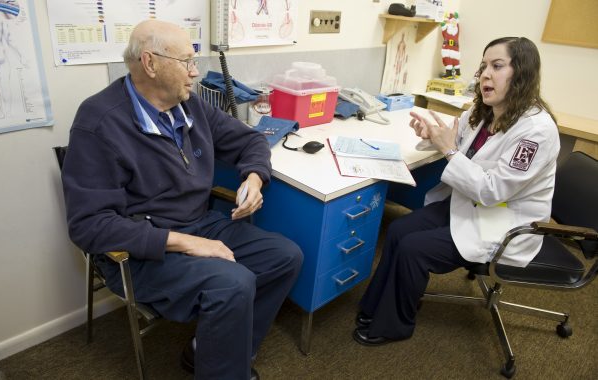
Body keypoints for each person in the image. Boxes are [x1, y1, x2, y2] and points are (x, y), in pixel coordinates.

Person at [61, 19, 303, 380]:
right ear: (151, 63)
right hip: (143, 249)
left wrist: (254, 175)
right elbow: (89, 226)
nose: (195, 73)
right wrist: (186, 244)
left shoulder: (189, 105)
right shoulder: (99, 122)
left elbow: (251, 140)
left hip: (199, 225)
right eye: (187, 62)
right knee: (233, 283)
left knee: (285, 257)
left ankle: (215, 352)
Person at [353, 37, 560, 345]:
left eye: (497, 66)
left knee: (414, 249)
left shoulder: (536, 132)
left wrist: (448, 149)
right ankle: (377, 307)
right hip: (469, 206)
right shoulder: (486, 111)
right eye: (484, 66)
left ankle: (396, 324)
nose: (485, 74)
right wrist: (431, 136)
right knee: (399, 229)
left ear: (523, 74)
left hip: (502, 223)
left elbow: (492, 191)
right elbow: (453, 140)